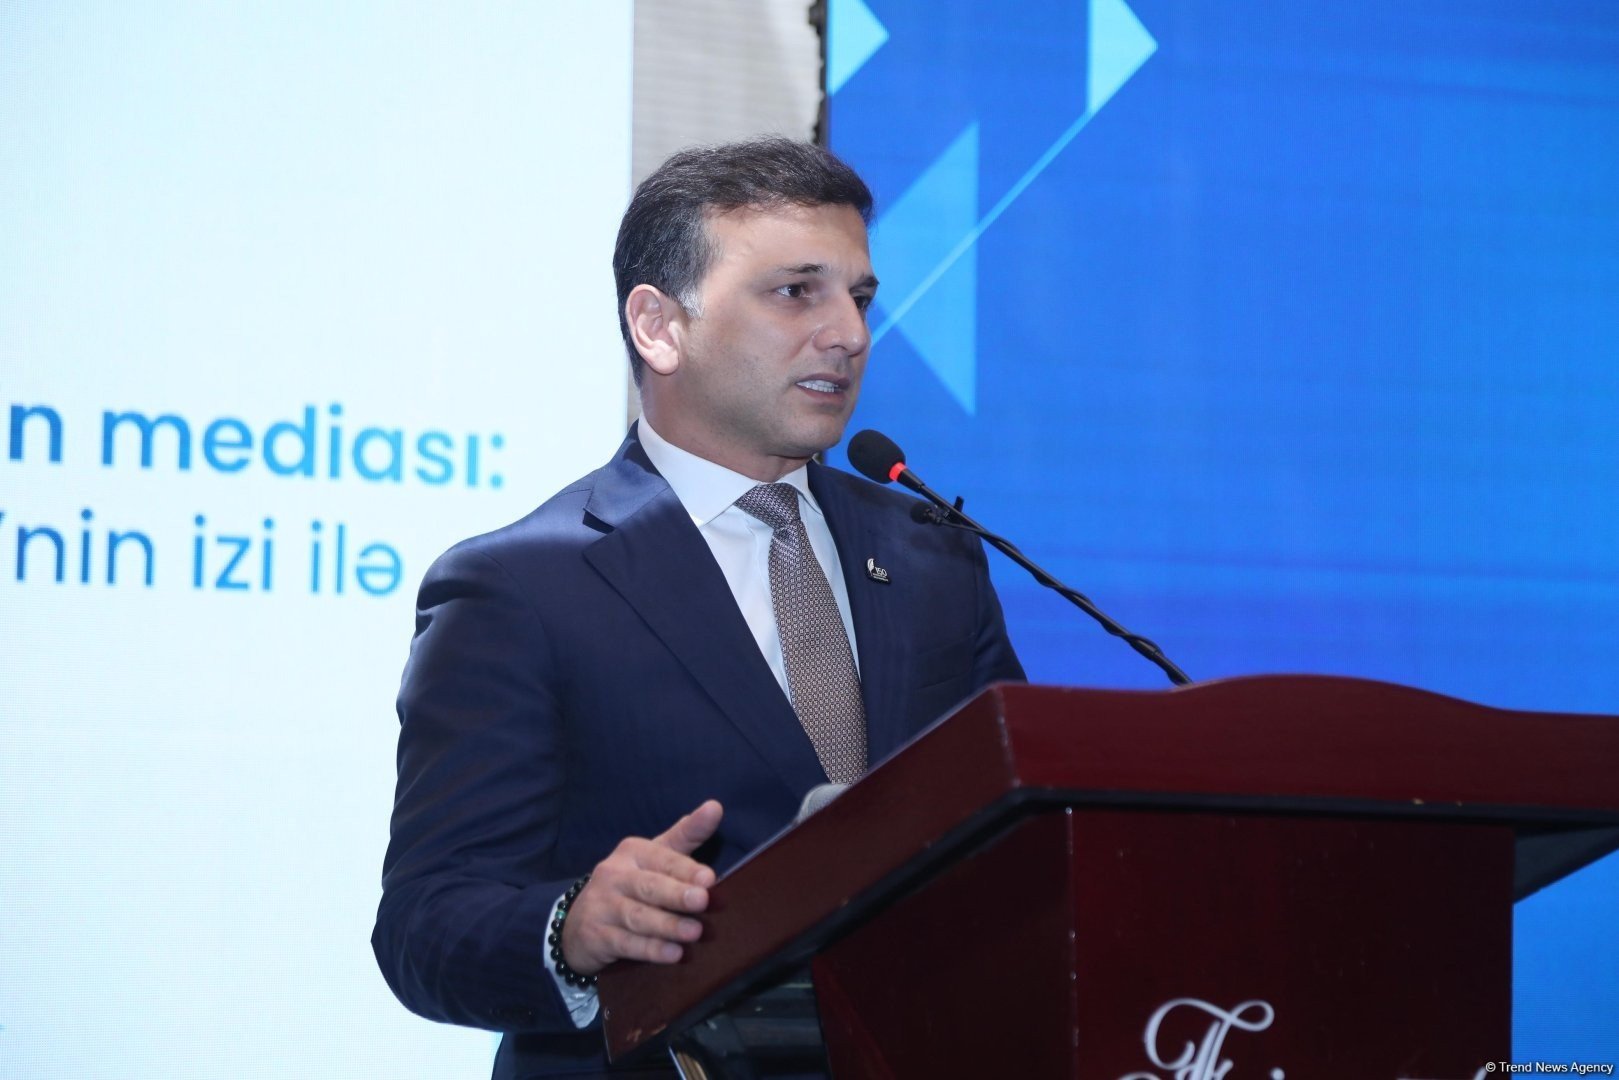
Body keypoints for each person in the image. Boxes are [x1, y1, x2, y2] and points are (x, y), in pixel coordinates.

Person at [372, 137, 1024, 1078]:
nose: (848, 333)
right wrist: (572, 929)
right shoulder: (521, 588)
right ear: (658, 326)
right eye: (795, 292)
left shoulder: (932, 554)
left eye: (859, 297)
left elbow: (1012, 837)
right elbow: (427, 924)